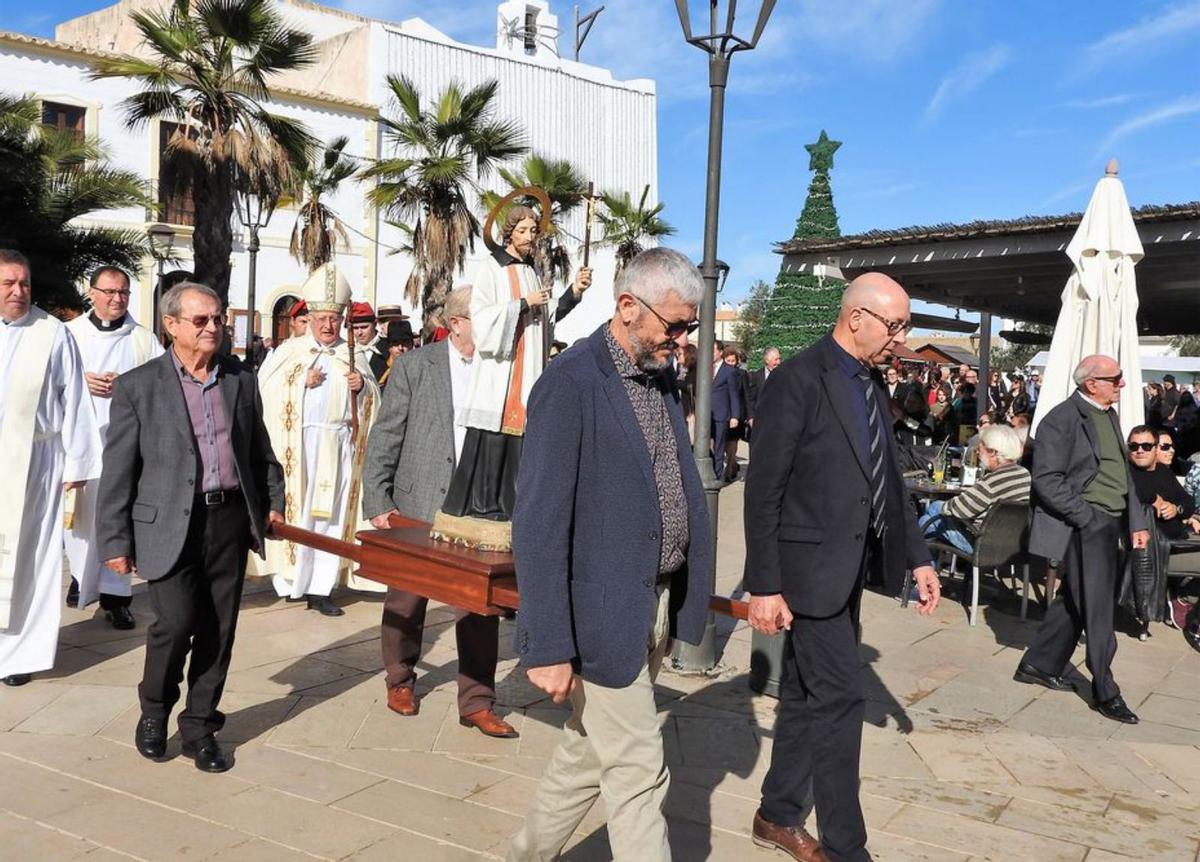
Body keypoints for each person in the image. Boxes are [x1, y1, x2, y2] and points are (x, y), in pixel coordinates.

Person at [507, 248, 711, 862]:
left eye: (688, 329)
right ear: (627, 307)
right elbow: (538, 524)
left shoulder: (659, 377)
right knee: (639, 769)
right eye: (673, 326)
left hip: (651, 605)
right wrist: (545, 645)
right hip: (598, 615)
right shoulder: (569, 384)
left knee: (585, 752)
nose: (680, 342)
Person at [744, 272, 942, 862]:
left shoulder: (872, 385)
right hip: (804, 574)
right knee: (840, 702)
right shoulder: (799, 380)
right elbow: (763, 489)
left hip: (847, 573)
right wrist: (765, 585)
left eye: (905, 326)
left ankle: (776, 815)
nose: (900, 338)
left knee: (806, 695)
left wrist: (919, 557)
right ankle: (846, 848)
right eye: (895, 325)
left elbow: (888, 479)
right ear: (856, 317)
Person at [96, 281, 284, 772]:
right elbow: (119, 471)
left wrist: (273, 503)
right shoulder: (139, 386)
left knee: (218, 631)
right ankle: (155, 711)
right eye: (200, 320)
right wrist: (115, 540)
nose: (212, 328)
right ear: (171, 325)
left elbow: (259, 451)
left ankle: (200, 726)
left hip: (228, 519)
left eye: (217, 319)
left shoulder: (240, 380)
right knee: (175, 624)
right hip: (166, 524)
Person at [361, 286, 517, 739]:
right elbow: (386, 435)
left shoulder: (501, 371)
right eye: (483, 317)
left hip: (478, 507)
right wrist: (379, 500)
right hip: (418, 501)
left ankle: (477, 702)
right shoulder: (414, 367)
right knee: (406, 601)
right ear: (457, 324)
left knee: (478, 608)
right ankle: (400, 679)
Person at [439, 205, 592, 533]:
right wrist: (523, 304)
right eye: (523, 231)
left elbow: (545, 323)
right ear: (508, 233)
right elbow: (481, 318)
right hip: (500, 372)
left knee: (519, 438)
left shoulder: (530, 271)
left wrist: (574, 293)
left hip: (526, 371)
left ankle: (510, 506)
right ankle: (483, 505)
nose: (529, 237)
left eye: (533, 231)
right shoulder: (491, 268)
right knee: (493, 436)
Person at [1014, 355, 1149, 725]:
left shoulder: (1107, 415)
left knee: (1077, 597)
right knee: (1100, 606)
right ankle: (1106, 689)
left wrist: (1135, 520)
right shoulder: (1061, 419)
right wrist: (1087, 517)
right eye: (1115, 378)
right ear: (1092, 383)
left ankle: (1038, 663)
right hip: (1086, 523)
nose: (1121, 383)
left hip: (1111, 522)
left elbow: (1122, 474)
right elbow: (1047, 480)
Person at [0, 249, 103, 687]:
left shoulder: (52, 333)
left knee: (31, 558)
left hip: (36, 464)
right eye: (8, 284)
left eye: (23, 283)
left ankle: (20, 654)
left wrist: (78, 460)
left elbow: (74, 400)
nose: (18, 292)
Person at [256, 264, 381, 616]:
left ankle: (321, 586)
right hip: (299, 447)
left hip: (339, 447)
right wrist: (298, 382)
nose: (328, 326)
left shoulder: (352, 355)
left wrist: (364, 389)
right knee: (300, 512)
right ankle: (293, 578)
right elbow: (265, 392)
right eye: (322, 318)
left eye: (335, 319)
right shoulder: (288, 354)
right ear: (309, 317)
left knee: (331, 515)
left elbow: (372, 402)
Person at [63, 265, 164, 628]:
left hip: (125, 447)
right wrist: (78, 381)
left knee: (120, 517)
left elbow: (160, 384)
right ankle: (79, 578)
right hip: (81, 444)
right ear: (91, 293)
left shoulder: (143, 339)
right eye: (109, 292)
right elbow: (51, 384)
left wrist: (129, 384)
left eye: (123, 292)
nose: (117, 299)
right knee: (80, 519)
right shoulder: (68, 335)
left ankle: (116, 597)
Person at [919, 423, 1031, 554]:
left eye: (980, 448)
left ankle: (922, 569)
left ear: (993, 452)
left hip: (983, 545)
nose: (977, 452)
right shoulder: (1025, 475)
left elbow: (960, 509)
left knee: (932, 513)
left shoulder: (991, 482)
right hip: (1015, 544)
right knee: (930, 520)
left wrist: (942, 507)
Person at [711, 340, 743, 480]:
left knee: (719, 447)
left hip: (721, 414)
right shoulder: (703, 368)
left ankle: (717, 475)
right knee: (706, 447)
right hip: (706, 415)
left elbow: (734, 395)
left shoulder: (729, 371)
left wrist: (734, 416)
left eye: (713, 350)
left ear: (719, 352)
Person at [747, 346, 782, 436]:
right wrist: (751, 417)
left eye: (779, 359)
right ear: (767, 360)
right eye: (776, 359)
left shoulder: (785, 376)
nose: (778, 362)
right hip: (759, 421)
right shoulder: (756, 376)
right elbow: (751, 399)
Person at [350, 301, 388, 381]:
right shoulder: (348, 350)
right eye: (355, 328)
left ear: (374, 325)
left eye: (364, 327)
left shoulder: (388, 347)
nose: (359, 332)